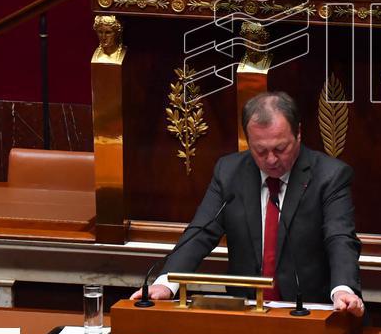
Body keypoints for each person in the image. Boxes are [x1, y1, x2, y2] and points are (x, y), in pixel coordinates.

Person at [133, 92, 364, 316]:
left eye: (280, 149)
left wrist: (343, 289)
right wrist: (166, 283)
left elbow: (340, 237)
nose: (271, 160)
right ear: (248, 140)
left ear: (299, 134)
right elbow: (201, 233)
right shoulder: (229, 172)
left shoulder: (330, 176)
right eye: (260, 151)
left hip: (309, 312)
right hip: (245, 312)